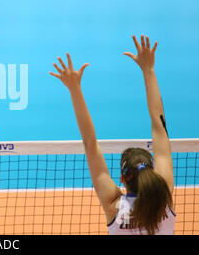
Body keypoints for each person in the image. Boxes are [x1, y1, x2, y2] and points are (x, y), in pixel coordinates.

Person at [49, 35, 175, 235]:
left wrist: (74, 89)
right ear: (152, 172)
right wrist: (149, 70)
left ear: (122, 178)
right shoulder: (165, 202)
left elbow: (91, 144)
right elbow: (159, 126)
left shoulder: (115, 207)